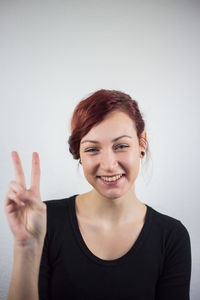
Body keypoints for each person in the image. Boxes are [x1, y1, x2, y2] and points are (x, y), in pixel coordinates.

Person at [5, 89, 191, 300]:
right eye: (93, 149)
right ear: (80, 155)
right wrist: (26, 248)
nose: (109, 165)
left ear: (142, 144)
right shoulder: (44, 220)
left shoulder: (171, 237)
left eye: (121, 146)